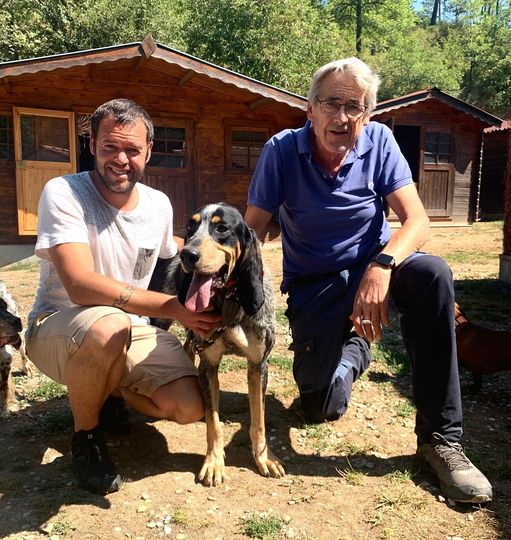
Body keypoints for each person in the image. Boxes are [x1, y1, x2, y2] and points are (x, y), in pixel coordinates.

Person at [245, 58, 492, 504]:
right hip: (314, 281)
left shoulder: (380, 142)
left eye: (354, 107)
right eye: (331, 103)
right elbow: (254, 227)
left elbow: (417, 220)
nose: (341, 117)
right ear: (310, 109)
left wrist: (381, 266)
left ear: (368, 114)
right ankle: (357, 349)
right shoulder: (281, 151)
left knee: (432, 273)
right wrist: (238, 284)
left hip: (377, 266)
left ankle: (442, 441)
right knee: (320, 407)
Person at [26, 99, 221, 495]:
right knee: (109, 323)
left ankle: (107, 389)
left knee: (189, 407)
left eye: (132, 149)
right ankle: (87, 436)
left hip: (130, 330)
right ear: (92, 145)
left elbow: (172, 255)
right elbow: (80, 285)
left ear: (148, 151)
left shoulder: (158, 204)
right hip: (59, 326)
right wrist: (170, 309)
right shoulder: (63, 192)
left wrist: (215, 261)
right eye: (109, 147)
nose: (121, 159)